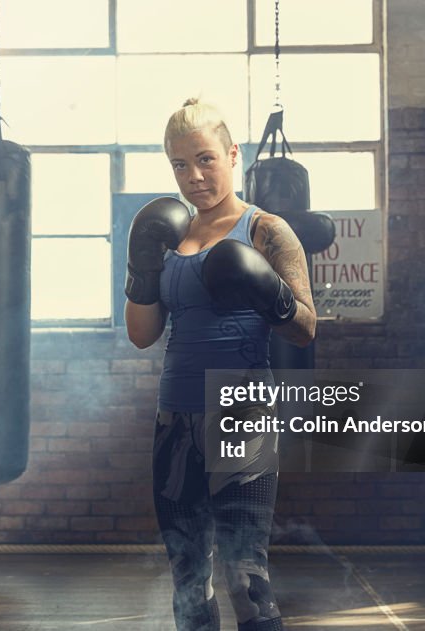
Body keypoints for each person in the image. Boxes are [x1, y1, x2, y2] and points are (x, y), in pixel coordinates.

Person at [124, 98, 317, 631]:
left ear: (233, 155)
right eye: (180, 165)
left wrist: (261, 284)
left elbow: (305, 329)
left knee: (244, 574)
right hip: (175, 418)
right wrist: (141, 265)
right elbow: (142, 335)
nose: (194, 176)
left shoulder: (267, 231)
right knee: (188, 574)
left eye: (206, 159)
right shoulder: (167, 234)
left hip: (242, 410)